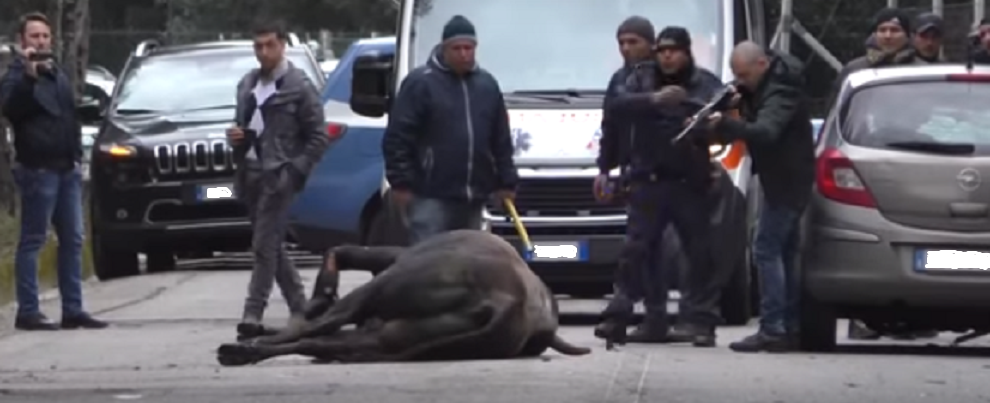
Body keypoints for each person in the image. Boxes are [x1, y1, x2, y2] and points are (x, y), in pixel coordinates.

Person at [593, 27, 723, 347]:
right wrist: (653, 101)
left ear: (686, 52)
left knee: (699, 254)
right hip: (647, 180)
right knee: (637, 251)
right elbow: (615, 109)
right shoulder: (639, 79)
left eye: (674, 50)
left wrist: (692, 110)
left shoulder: (704, 81)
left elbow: (723, 114)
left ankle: (701, 321)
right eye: (663, 50)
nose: (667, 56)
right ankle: (628, 316)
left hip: (689, 182)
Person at [700, 41, 814, 352]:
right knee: (784, 252)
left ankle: (773, 327)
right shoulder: (770, 84)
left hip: (788, 178)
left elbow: (766, 130)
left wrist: (728, 121)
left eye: (744, 75)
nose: (740, 81)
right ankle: (787, 326)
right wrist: (740, 103)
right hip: (785, 175)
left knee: (766, 248)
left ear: (762, 64)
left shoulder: (781, 89)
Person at [0, 12, 107, 331]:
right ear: (22, 42)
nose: (42, 42)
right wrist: (28, 76)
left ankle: (73, 308)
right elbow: (9, 109)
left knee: (73, 239)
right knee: (33, 239)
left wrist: (76, 154)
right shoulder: (15, 77)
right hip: (37, 170)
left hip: (66, 168)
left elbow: (67, 116)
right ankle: (28, 310)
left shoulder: (57, 72)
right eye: (35, 36)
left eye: (45, 36)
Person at [227, 20, 333, 339]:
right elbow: (245, 127)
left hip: (280, 175)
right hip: (250, 174)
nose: (263, 52)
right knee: (272, 245)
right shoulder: (247, 84)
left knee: (262, 245)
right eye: (257, 46)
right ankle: (302, 309)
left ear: (283, 44)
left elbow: (318, 135)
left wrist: (296, 169)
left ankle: (252, 312)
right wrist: (237, 138)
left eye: (269, 45)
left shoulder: (298, 86)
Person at [382, 15, 518, 245]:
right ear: (444, 48)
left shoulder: (487, 85)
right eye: (457, 48)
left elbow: (500, 139)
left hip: (474, 197)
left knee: (467, 263)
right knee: (429, 262)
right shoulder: (421, 84)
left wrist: (506, 182)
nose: (464, 54)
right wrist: (401, 183)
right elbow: (398, 138)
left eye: (469, 47)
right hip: (430, 195)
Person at [593, 16, 668, 344]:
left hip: (663, 175)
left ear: (650, 43)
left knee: (640, 247)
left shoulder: (664, 77)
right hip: (633, 174)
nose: (626, 48)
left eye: (633, 41)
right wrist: (604, 169)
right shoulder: (619, 80)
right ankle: (654, 317)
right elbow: (610, 126)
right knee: (645, 249)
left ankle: (621, 312)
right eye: (622, 42)